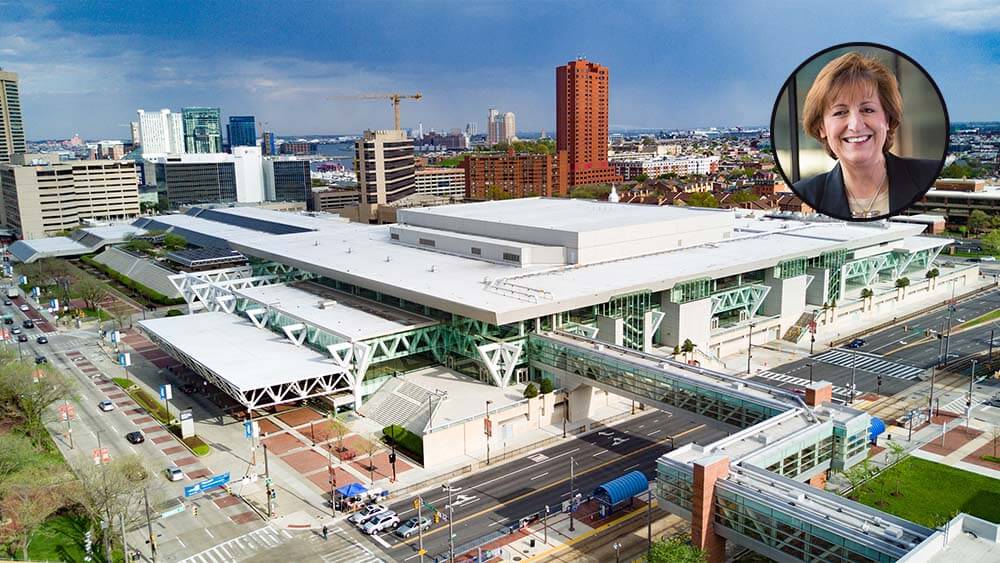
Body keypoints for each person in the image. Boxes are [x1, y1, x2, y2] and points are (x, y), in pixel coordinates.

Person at [794, 52, 938, 220]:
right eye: (840, 112)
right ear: (821, 128)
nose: (855, 125)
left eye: (867, 110)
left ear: (888, 118)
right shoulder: (805, 194)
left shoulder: (929, 176)